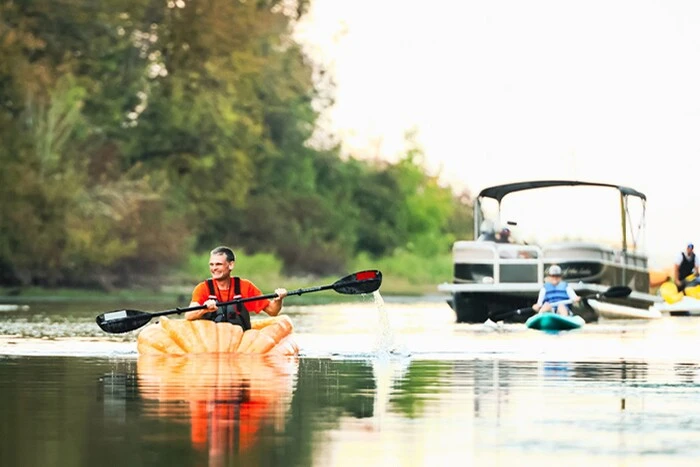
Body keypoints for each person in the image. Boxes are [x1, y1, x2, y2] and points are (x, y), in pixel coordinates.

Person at [185, 246, 288, 330]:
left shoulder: (245, 286)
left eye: (218, 264)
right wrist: (204, 309)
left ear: (231, 265)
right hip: (211, 340)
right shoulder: (203, 288)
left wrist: (278, 300)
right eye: (211, 265)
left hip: (239, 339)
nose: (214, 268)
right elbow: (188, 315)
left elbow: (272, 311)